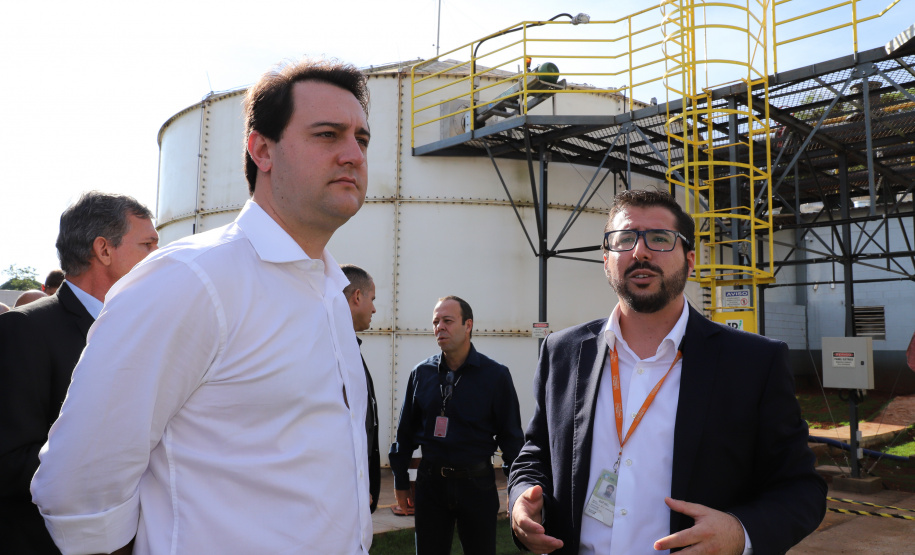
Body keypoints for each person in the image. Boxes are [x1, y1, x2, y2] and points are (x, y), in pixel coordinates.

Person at [31, 58, 373, 555]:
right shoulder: (192, 280)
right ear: (263, 149)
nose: (353, 155)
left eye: (361, 140)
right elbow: (77, 483)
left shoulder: (328, 293)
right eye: (327, 135)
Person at [509, 189, 826, 555]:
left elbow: (802, 488)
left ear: (690, 260)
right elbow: (535, 453)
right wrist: (521, 498)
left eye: (659, 239)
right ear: (606, 259)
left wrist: (740, 533)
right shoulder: (562, 353)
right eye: (624, 239)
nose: (639, 251)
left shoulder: (754, 363)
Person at [0, 191, 157, 554]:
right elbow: (9, 462)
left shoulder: (146, 331)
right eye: (147, 245)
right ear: (104, 250)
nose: (157, 258)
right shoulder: (25, 331)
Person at [390, 295, 525, 555]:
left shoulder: (495, 375)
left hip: (477, 485)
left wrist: (515, 485)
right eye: (436, 321)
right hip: (431, 484)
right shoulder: (421, 374)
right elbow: (405, 432)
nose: (440, 327)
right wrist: (400, 480)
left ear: (468, 325)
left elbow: (511, 437)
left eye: (448, 321)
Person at [341, 263, 381, 513]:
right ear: (357, 297)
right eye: (372, 299)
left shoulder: (347, 346)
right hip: (345, 494)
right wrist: (352, 485)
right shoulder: (334, 351)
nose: (374, 308)